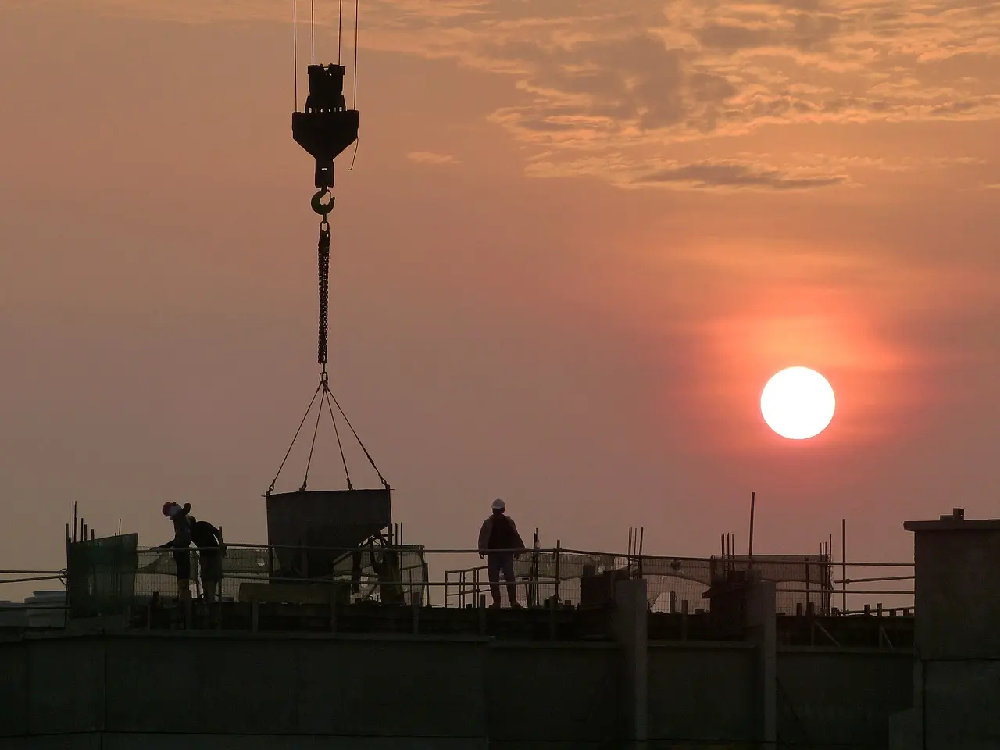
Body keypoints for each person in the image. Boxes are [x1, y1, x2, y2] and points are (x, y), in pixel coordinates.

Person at [477, 498, 526, 609]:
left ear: (502, 510)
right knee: (493, 578)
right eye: (495, 511)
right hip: (493, 553)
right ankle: (497, 602)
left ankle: (513, 601)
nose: (496, 513)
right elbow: (483, 536)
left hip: (506, 553)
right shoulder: (488, 523)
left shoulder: (508, 522)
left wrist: (519, 548)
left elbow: (515, 536)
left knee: (509, 576)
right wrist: (482, 549)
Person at [159, 502, 193, 621]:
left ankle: (183, 596)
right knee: (183, 573)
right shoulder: (181, 519)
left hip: (181, 550)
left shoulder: (181, 519)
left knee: (183, 574)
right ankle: (182, 596)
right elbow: (186, 509)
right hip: (181, 550)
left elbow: (186, 509)